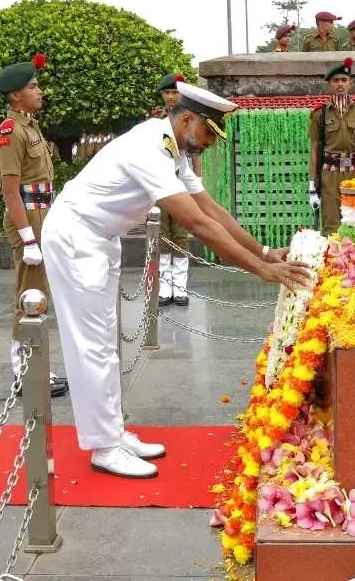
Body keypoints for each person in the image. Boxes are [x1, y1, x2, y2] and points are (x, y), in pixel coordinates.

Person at [41, 80, 312, 478]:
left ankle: (112, 432)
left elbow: (209, 207)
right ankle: (103, 447)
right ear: (186, 119)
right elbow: (197, 223)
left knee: (106, 342)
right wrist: (262, 270)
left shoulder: (172, 146)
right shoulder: (148, 146)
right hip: (77, 236)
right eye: (208, 133)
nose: (211, 143)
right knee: (92, 345)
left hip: (98, 238)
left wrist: (262, 251)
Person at [0, 54, 69, 399]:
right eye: (33, 87)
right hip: (28, 217)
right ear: (14, 96)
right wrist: (28, 239)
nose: (40, 91)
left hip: (42, 212)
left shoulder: (29, 126)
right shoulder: (10, 132)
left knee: (40, 295)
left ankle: (38, 366)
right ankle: (24, 371)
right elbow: (11, 191)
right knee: (30, 295)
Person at [308, 57, 355, 236]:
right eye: (335, 80)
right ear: (329, 85)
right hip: (330, 175)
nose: (340, 84)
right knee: (331, 225)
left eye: (344, 80)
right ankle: (332, 263)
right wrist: (312, 187)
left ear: (350, 84)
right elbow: (314, 152)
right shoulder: (319, 114)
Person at [151, 74, 199, 306]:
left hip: (180, 183)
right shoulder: (154, 120)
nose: (171, 97)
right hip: (159, 185)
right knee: (162, 235)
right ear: (162, 95)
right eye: (167, 93)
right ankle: (165, 288)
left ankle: (180, 287)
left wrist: (198, 180)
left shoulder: (188, 119)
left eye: (175, 93)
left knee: (180, 236)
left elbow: (195, 151)